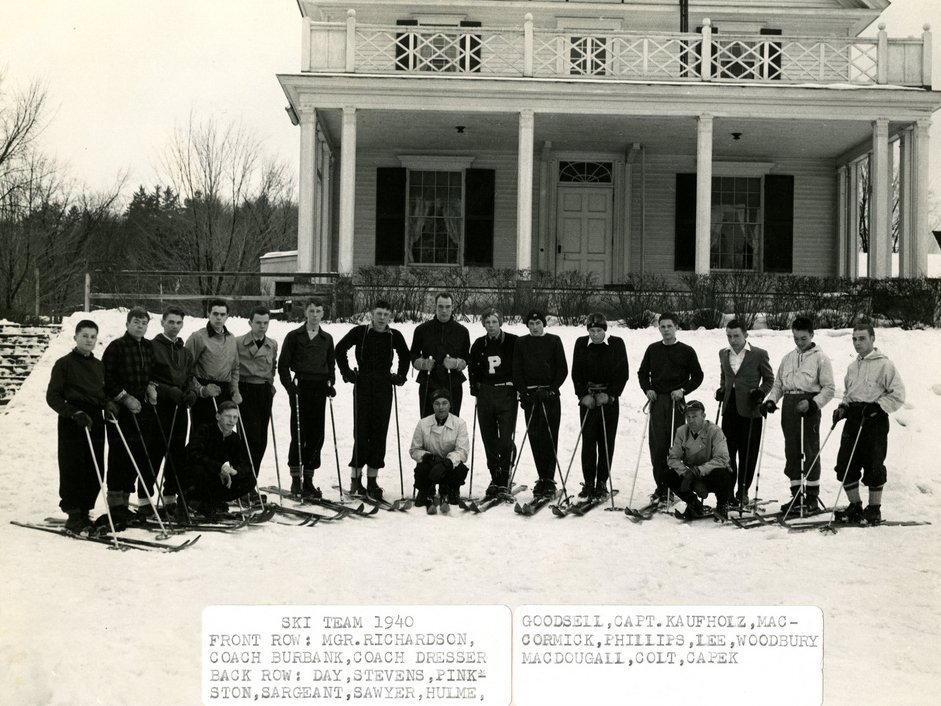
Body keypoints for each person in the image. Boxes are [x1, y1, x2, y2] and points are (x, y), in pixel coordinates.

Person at [46, 320, 117, 534]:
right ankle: (74, 512)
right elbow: (53, 396)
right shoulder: (64, 363)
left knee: (94, 465)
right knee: (73, 464)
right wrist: (73, 412)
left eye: (93, 337)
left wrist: (108, 404)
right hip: (74, 419)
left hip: (94, 417)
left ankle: (86, 509)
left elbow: (100, 393)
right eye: (85, 336)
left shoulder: (98, 365)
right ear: (75, 337)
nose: (89, 340)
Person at [335, 300, 410, 501]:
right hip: (363, 384)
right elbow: (339, 349)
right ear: (371, 314)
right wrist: (347, 373)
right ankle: (355, 479)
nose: (382, 318)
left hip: (384, 385)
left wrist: (400, 376)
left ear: (390, 316)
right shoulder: (360, 332)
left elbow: (405, 355)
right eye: (379, 314)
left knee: (379, 432)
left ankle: (372, 480)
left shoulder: (394, 336)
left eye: (386, 314)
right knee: (361, 431)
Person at [830, 322, 905, 525]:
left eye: (862, 338)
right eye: (854, 339)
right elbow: (848, 392)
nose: (857, 343)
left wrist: (879, 407)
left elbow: (898, 395)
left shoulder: (885, 365)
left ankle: (874, 509)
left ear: (873, 339)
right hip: (854, 418)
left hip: (874, 420)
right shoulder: (852, 367)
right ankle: (855, 506)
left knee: (874, 463)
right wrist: (843, 407)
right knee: (845, 463)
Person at [761, 316, 835, 513]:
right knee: (791, 449)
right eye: (796, 338)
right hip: (789, 406)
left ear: (812, 335)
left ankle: (811, 497)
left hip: (808, 405)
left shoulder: (821, 358)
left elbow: (829, 389)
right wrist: (771, 400)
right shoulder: (788, 358)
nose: (800, 343)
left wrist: (813, 404)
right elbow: (778, 384)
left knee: (809, 449)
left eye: (803, 338)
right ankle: (796, 495)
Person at [637, 312, 704, 503]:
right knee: (658, 447)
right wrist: (648, 389)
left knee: (676, 447)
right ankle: (661, 486)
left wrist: (683, 390)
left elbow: (698, 376)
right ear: (659, 328)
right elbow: (642, 373)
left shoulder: (686, 350)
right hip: (658, 402)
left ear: (676, 327)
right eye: (662, 326)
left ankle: (678, 485)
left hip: (677, 403)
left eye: (669, 326)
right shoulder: (653, 349)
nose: (666, 330)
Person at [102, 307, 156, 527]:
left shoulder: (149, 347)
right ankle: (116, 507)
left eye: (144, 323)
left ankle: (125, 503)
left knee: (136, 454)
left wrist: (152, 387)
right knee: (119, 456)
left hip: (141, 410)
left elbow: (151, 373)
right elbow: (106, 377)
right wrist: (124, 398)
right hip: (120, 410)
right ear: (127, 324)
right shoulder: (116, 347)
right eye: (136, 322)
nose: (140, 326)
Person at [278, 298, 336, 499]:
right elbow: (283, 365)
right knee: (299, 432)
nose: (314, 315)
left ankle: (309, 479)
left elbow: (331, 363)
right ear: (306, 313)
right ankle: (296, 479)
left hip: (319, 388)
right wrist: (289, 387)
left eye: (318, 311)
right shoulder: (294, 336)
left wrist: (331, 383)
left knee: (317, 434)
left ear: (323, 314)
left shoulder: (326, 338)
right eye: (311, 311)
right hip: (301, 387)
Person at [715, 319, 774, 505]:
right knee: (728, 453)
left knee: (748, 453)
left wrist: (760, 392)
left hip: (750, 409)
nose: (732, 340)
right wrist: (722, 390)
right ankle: (729, 492)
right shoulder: (723, 354)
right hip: (730, 410)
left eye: (736, 336)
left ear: (746, 335)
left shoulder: (758, 354)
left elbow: (769, 379)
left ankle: (743, 490)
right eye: (729, 336)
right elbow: (725, 376)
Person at [571, 313, 629, 499]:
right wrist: (582, 395)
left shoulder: (616, 344)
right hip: (588, 399)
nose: (595, 334)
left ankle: (602, 482)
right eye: (592, 331)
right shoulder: (581, 344)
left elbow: (623, 373)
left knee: (605, 441)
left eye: (599, 331)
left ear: (605, 330)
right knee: (588, 441)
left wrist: (610, 395)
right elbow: (576, 372)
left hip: (608, 399)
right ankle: (588, 482)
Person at [512, 309, 568, 499]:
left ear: (543, 324)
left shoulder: (554, 341)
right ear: (527, 326)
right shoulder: (521, 342)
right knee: (535, 437)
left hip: (549, 396)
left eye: (538, 324)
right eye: (531, 324)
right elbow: (516, 369)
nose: (535, 327)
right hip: (531, 396)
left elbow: (562, 369)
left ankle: (549, 479)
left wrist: (551, 389)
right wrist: (523, 392)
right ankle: (541, 478)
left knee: (550, 436)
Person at [149, 306, 198, 516]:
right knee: (156, 450)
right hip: (160, 406)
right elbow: (149, 377)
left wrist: (191, 393)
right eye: (171, 322)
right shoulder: (152, 346)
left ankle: (170, 496)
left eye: (178, 323)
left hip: (179, 407)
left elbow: (189, 377)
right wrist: (168, 391)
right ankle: (144, 499)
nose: (175, 327)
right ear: (162, 322)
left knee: (176, 452)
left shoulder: (184, 351)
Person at [467, 308, 518, 498]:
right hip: (486, 393)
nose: (491, 326)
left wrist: (518, 387)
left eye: (494, 322)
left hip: (506, 392)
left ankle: (504, 477)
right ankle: (494, 478)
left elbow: (519, 365)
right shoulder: (480, 343)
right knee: (489, 439)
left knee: (505, 439)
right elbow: (473, 367)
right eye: (487, 322)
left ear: (501, 323)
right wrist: (474, 386)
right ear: (483, 324)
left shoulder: (513, 341)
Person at [181, 401, 257, 520]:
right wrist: (219, 467)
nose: (232, 421)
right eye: (228, 416)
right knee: (198, 469)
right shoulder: (205, 430)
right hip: (193, 478)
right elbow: (194, 455)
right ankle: (194, 502)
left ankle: (214, 502)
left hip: (217, 478)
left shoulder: (234, 438)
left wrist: (234, 471)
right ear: (218, 416)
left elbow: (246, 463)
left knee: (250, 480)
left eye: (235, 417)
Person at [666, 400, 734, 519]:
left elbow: (723, 459)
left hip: (710, 474)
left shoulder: (715, 431)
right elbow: (673, 458)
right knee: (668, 474)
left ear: (703, 416)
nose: (691, 420)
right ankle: (693, 503)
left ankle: (722, 505)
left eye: (695, 416)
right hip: (691, 476)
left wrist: (698, 471)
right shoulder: (682, 431)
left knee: (724, 474)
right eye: (688, 417)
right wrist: (686, 473)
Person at [409, 292, 471, 418]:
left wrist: (457, 363)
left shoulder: (462, 331)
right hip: (429, 382)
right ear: (435, 307)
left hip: (452, 383)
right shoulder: (422, 330)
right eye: (440, 307)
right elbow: (413, 354)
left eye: (447, 307)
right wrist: (422, 364)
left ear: (452, 307)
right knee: (428, 422)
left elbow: (466, 357)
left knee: (452, 424)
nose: (444, 310)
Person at [185, 299, 240, 432]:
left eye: (222, 314)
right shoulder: (198, 337)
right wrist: (201, 389)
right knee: (202, 433)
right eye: (215, 313)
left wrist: (234, 390)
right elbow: (186, 369)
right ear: (208, 314)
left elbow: (235, 368)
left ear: (227, 316)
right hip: (205, 392)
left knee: (222, 432)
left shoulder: (231, 339)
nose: (219, 317)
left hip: (224, 392)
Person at [409, 389, 470, 509]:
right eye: (437, 403)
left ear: (450, 405)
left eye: (444, 403)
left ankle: (451, 489)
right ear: (432, 405)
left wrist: (447, 462)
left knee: (460, 469)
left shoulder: (459, 424)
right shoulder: (423, 423)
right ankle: (425, 490)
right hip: (430, 464)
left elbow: (462, 451)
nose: (441, 407)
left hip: (449, 466)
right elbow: (414, 450)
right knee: (422, 468)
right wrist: (429, 457)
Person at [236, 306, 278, 477]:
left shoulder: (272, 344)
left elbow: (272, 366)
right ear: (250, 322)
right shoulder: (238, 342)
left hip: (264, 391)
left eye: (265, 323)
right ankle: (243, 481)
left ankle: (252, 480)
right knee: (249, 439)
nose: (262, 326)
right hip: (246, 389)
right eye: (258, 322)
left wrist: (270, 385)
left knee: (261, 440)